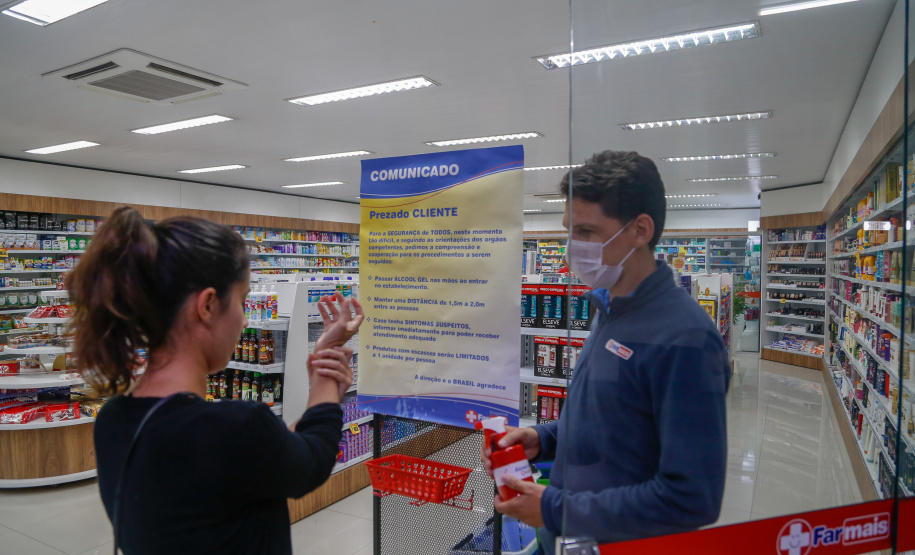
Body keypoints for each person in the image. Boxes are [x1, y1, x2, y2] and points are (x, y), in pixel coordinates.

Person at [68, 206, 363, 555]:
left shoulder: (114, 419)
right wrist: (327, 371)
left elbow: (277, 453)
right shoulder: (236, 427)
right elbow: (310, 463)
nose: (243, 320)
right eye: (242, 300)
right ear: (207, 305)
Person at [483, 151, 730, 553]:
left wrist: (556, 509)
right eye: (569, 230)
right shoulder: (607, 309)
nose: (571, 248)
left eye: (586, 232)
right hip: (572, 540)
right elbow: (612, 423)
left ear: (640, 230)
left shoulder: (685, 338)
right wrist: (541, 438)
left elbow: (692, 498)